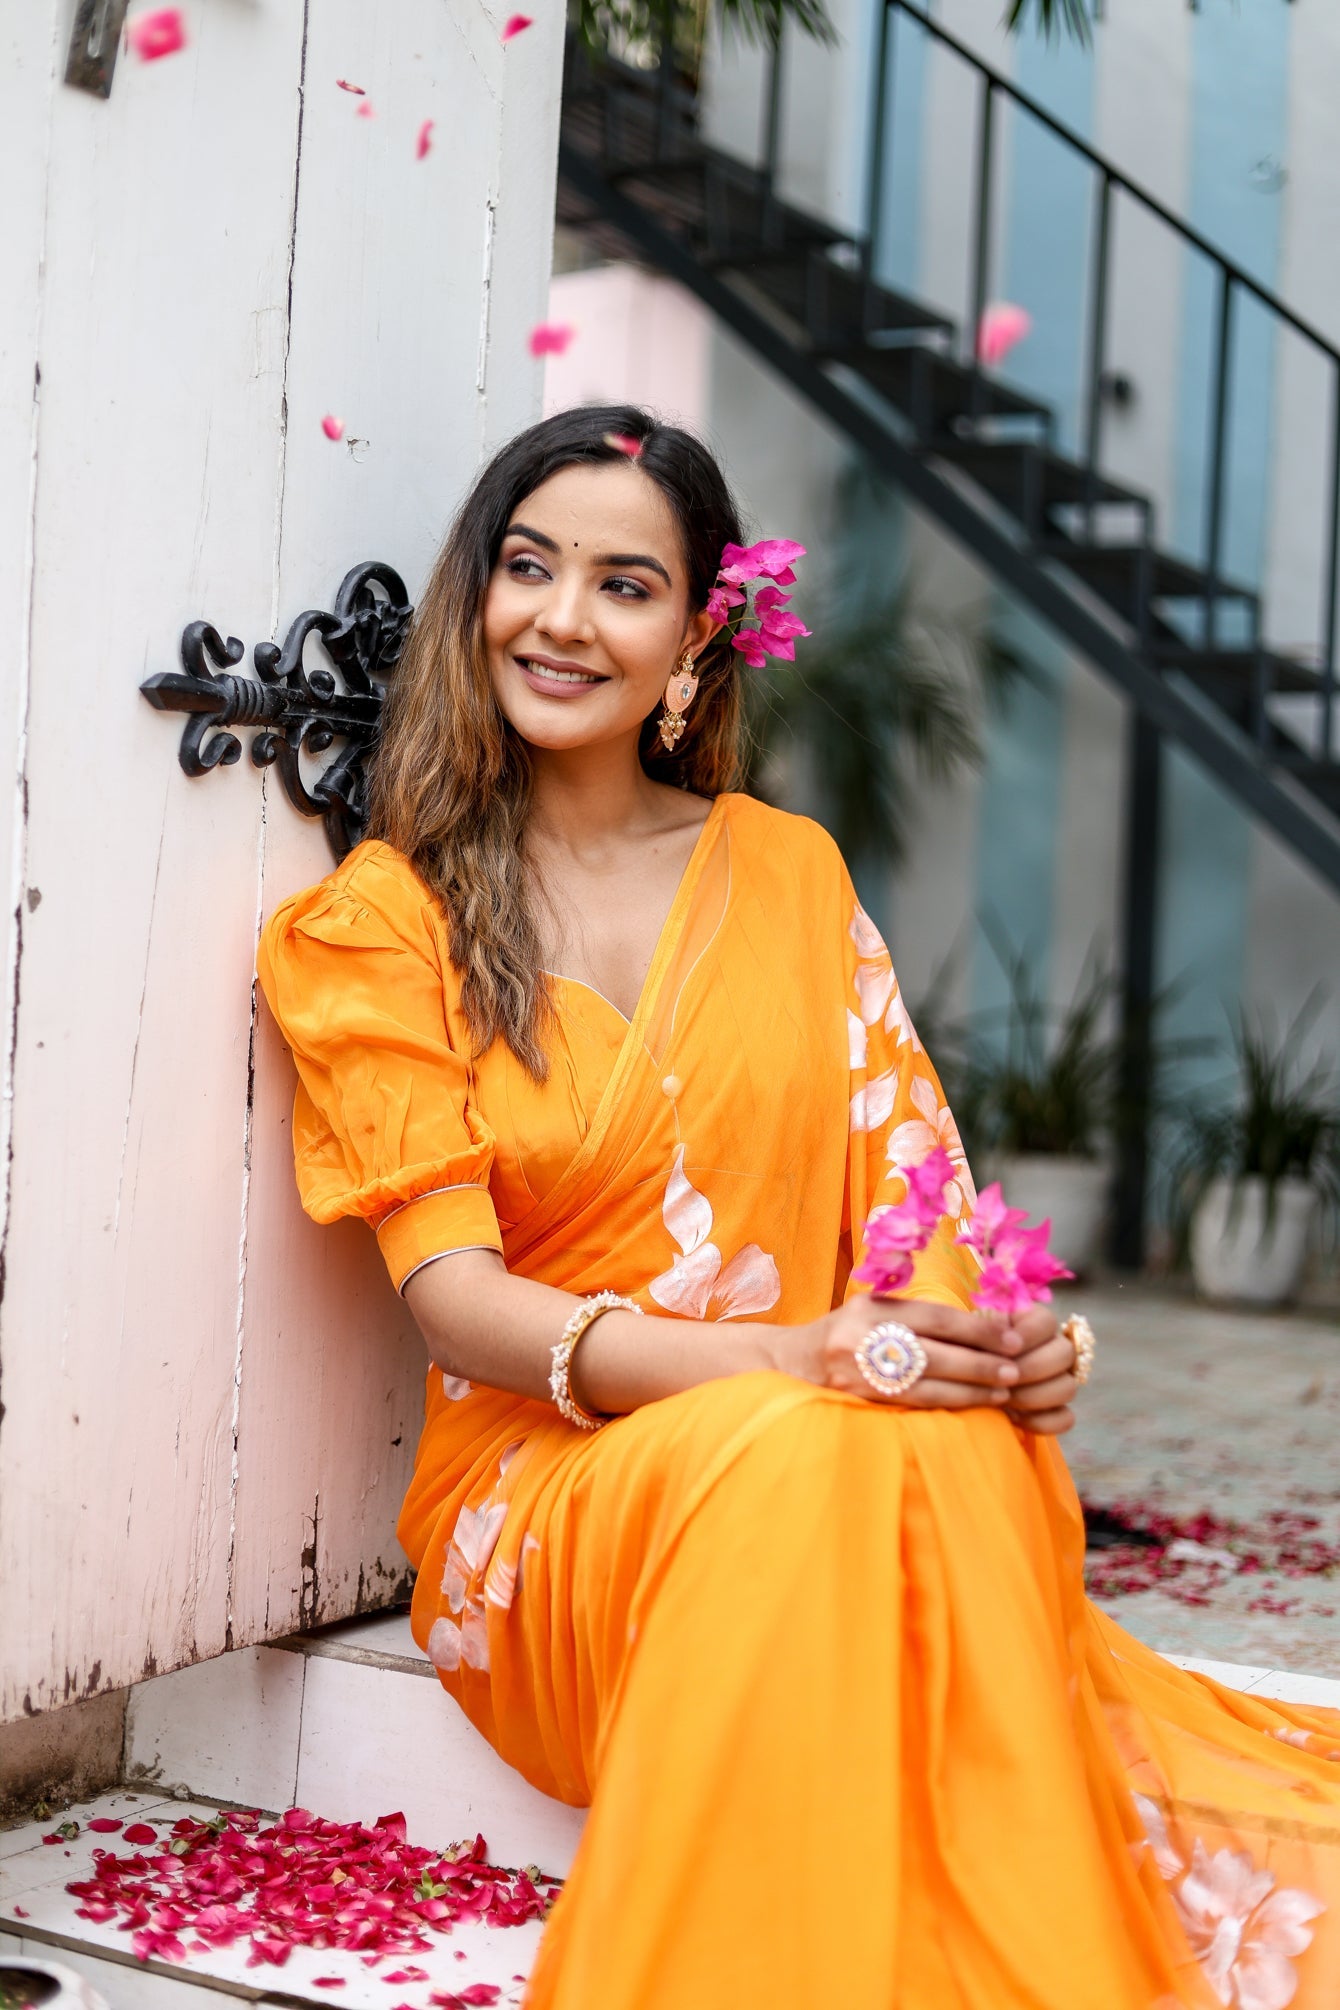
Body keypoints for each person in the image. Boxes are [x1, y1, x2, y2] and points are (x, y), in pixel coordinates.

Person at [258, 406, 1340, 2009]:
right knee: (809, 1446)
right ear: (471, 596)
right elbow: (453, 1301)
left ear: (696, 642)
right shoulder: (375, 924)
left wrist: (997, 1349)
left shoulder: (789, 872)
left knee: (920, 1434)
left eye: (624, 584)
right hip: (547, 1509)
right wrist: (788, 1361)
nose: (562, 617)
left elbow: (920, 1212)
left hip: (824, 1418)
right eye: (528, 565)